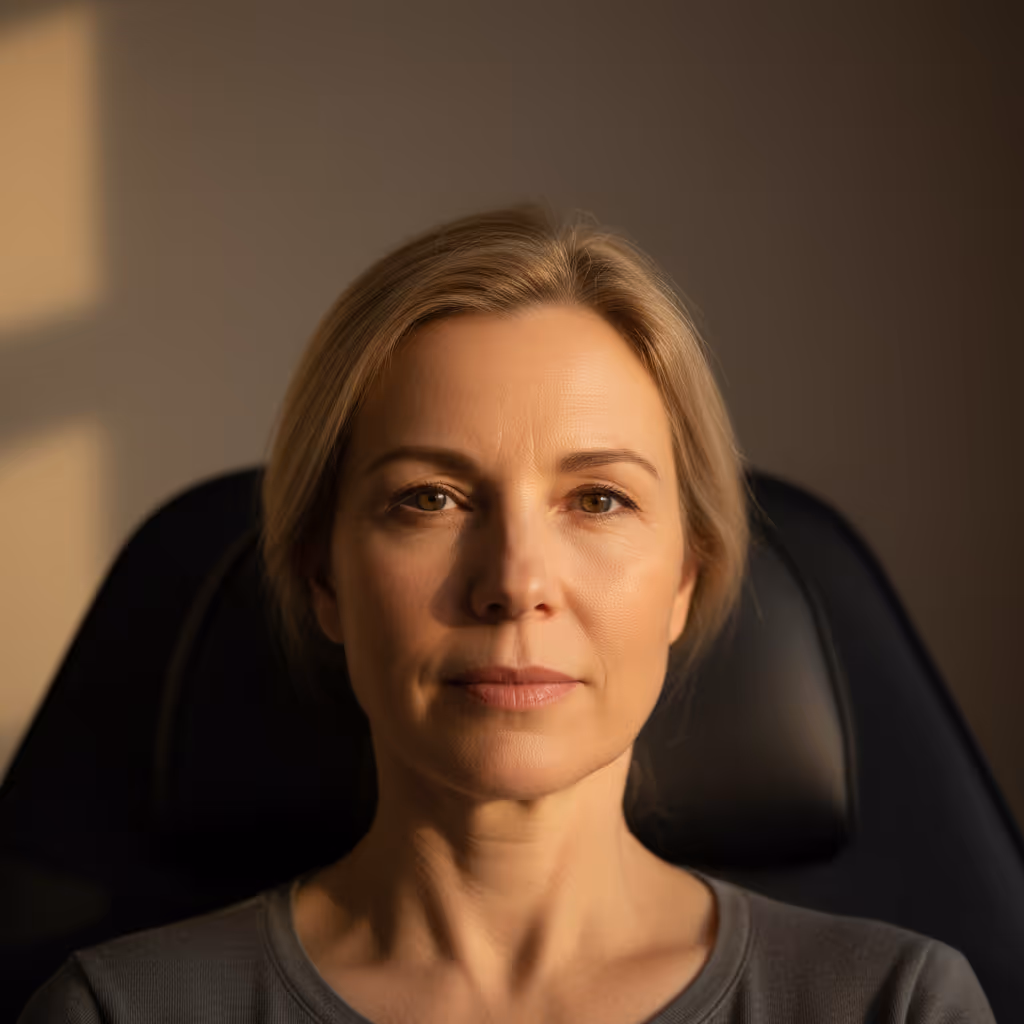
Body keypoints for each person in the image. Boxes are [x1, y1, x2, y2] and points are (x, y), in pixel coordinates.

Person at [18, 203, 996, 1022]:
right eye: (430, 498)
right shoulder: (118, 1011)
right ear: (324, 581)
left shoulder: (895, 1004)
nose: (514, 580)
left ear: (684, 581)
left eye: (598, 499)